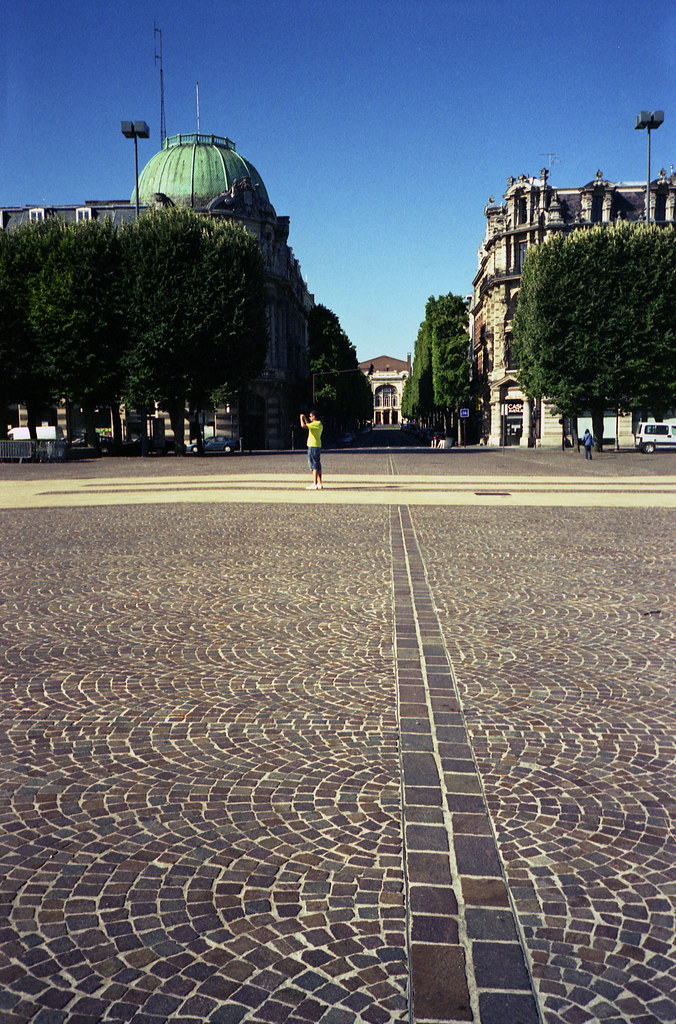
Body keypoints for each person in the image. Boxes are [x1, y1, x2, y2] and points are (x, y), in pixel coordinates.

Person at [300, 409, 323, 489]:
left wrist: (301, 418)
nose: (309, 417)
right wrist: (305, 419)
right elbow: (309, 425)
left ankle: (314, 483)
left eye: (310, 416)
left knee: (313, 465)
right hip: (317, 445)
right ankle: (320, 483)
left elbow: (303, 426)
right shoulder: (319, 424)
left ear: (314, 416)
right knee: (318, 464)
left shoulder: (315, 424)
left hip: (312, 445)